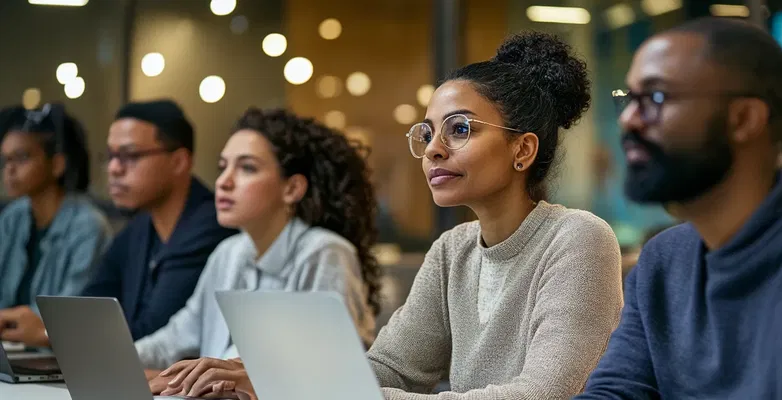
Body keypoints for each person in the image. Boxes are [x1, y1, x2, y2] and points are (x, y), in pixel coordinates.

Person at [156, 31, 624, 400]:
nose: (434, 149)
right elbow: (389, 369)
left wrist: (311, 391)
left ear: (522, 149)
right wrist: (263, 376)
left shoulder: (579, 238)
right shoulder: (451, 251)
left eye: (459, 129)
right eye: (428, 132)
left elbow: (546, 395)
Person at [575, 18, 782, 399]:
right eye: (629, 98)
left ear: (743, 119)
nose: (628, 119)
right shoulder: (662, 261)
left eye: (656, 98)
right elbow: (616, 391)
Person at [139, 107, 382, 396]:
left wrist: (185, 380)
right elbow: (174, 339)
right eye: (222, 167)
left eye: (247, 168)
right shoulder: (227, 253)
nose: (223, 182)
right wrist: (111, 359)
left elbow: (332, 376)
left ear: (292, 188)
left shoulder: (325, 252)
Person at [0, 100, 238, 347]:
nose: (114, 168)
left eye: (130, 155)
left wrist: (48, 333)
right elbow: (88, 307)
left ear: (178, 161)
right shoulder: (140, 225)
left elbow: (153, 331)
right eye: (111, 156)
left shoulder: (210, 226)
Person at [0, 104, 112, 344]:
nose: (9, 169)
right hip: (10, 350)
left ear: (57, 164)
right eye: (5, 159)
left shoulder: (88, 225)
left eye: (22, 157)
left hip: (58, 359)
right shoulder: (13, 217)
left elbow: (72, 314)